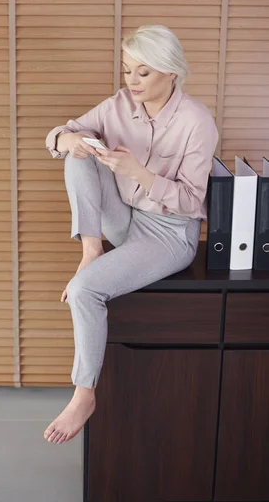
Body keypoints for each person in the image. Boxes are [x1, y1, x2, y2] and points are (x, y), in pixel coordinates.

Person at [43, 25, 219, 445]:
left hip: (169, 234)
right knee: (79, 153)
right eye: (127, 71)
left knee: (85, 291)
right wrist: (69, 139)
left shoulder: (197, 121)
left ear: (170, 72)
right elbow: (57, 136)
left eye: (143, 73)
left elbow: (195, 203)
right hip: (123, 219)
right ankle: (90, 249)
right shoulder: (118, 105)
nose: (132, 82)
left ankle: (84, 394)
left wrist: (140, 172)